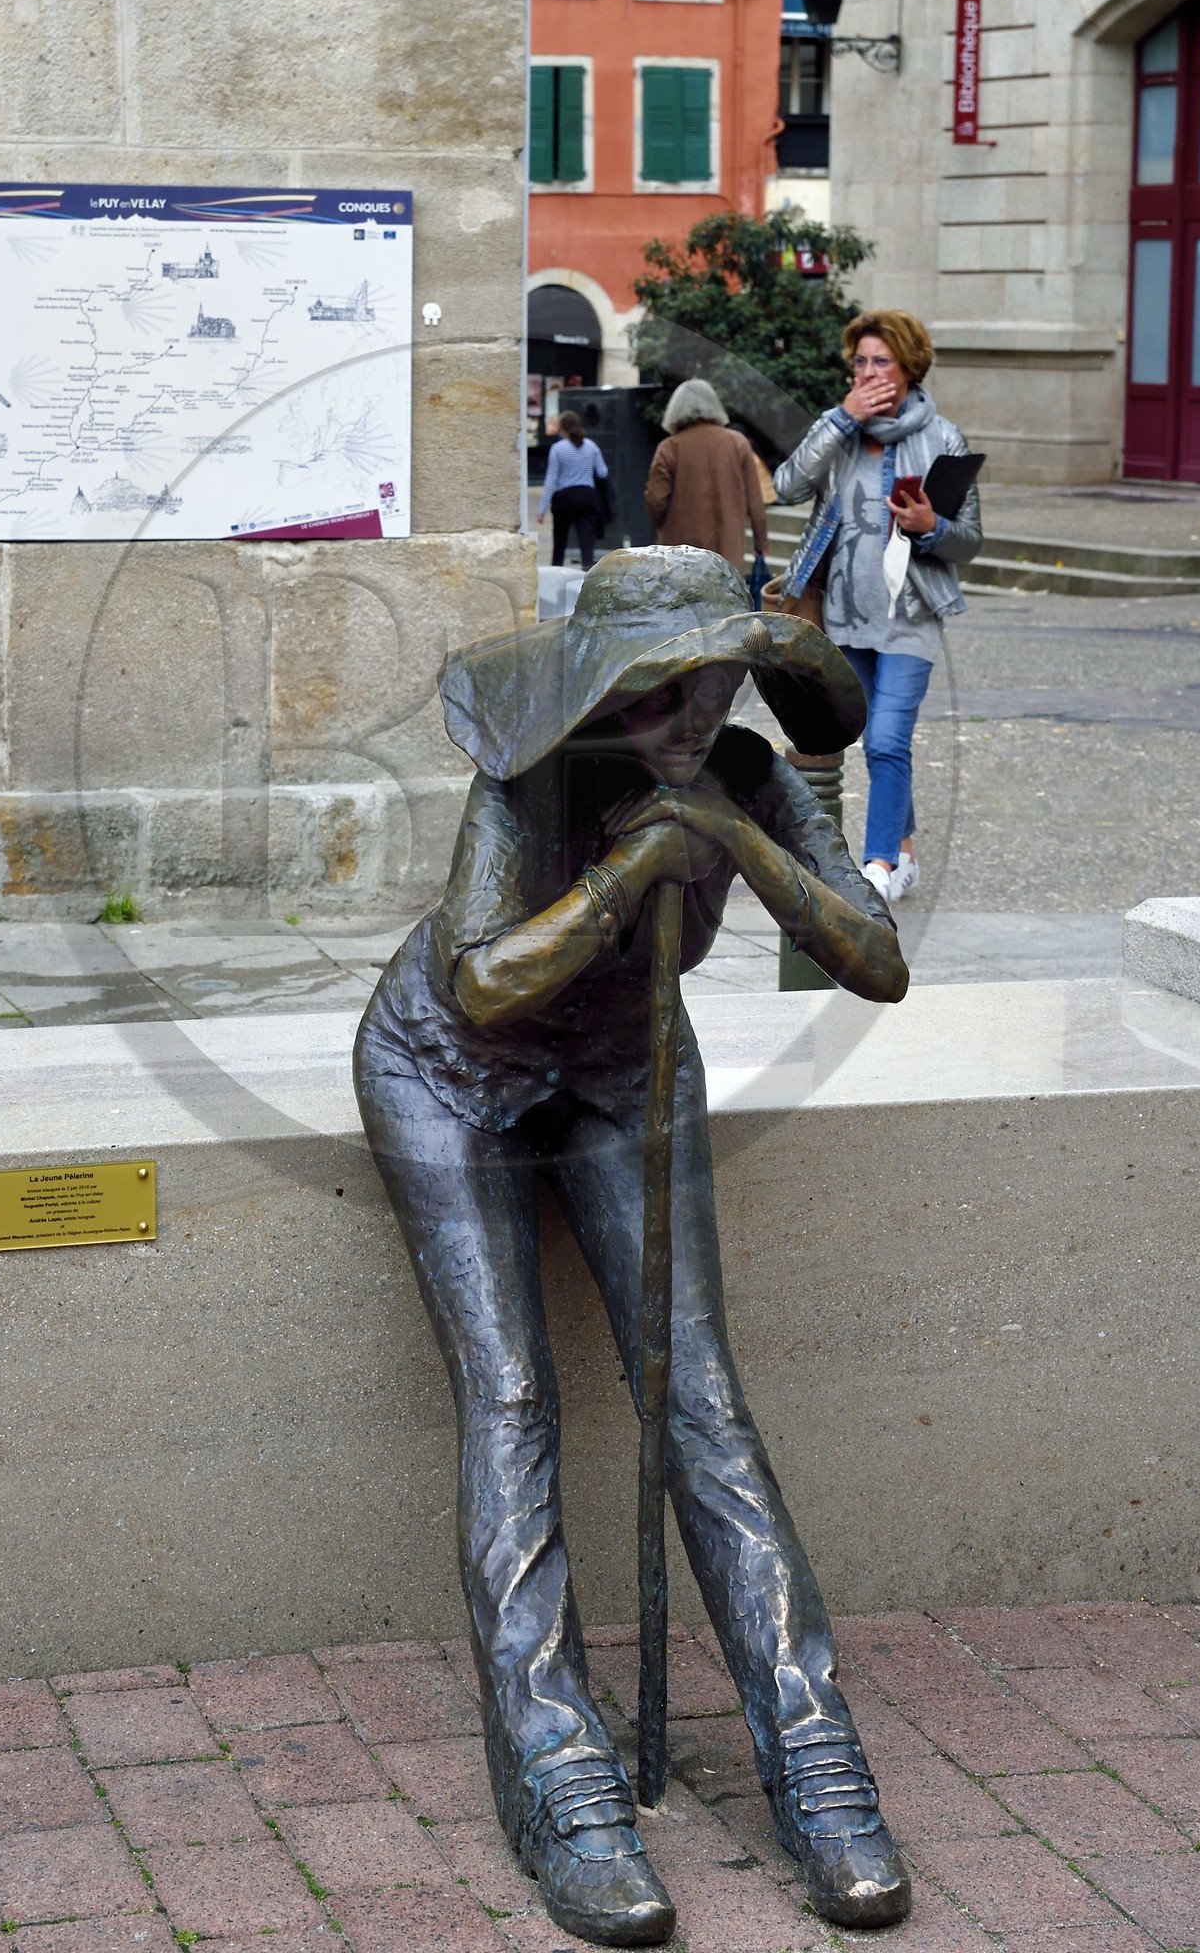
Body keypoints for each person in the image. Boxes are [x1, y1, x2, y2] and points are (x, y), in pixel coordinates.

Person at [354, 546, 913, 1945]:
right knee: (516, 1397)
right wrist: (623, 879)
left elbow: (877, 959)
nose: (688, 708)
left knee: (703, 1402)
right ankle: (555, 1765)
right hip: (447, 1074)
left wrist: (729, 837)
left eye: (716, 680)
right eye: (661, 685)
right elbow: (481, 983)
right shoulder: (529, 781)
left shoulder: (747, 771)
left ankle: (814, 1759)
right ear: (604, 682)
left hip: (623, 1069)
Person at [773, 309, 982, 903]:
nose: (867, 373)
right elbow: (786, 486)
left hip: (911, 616)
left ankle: (880, 867)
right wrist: (843, 418)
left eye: (881, 362)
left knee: (889, 741)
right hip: (844, 615)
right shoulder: (839, 432)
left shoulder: (943, 438)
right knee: (870, 736)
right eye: (860, 362)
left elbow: (970, 539)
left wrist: (931, 525)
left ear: (909, 367)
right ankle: (906, 851)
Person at [644, 378, 771, 574]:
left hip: (681, 556)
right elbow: (756, 503)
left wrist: (664, 525)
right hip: (728, 552)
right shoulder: (738, 443)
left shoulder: (669, 448)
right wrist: (760, 543)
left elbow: (656, 501)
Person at [539, 409, 610, 571]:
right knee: (587, 545)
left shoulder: (558, 449)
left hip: (565, 499)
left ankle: (556, 575)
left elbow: (551, 479)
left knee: (560, 543)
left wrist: (541, 510)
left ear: (563, 428)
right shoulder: (591, 446)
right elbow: (603, 472)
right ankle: (587, 576)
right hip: (587, 497)